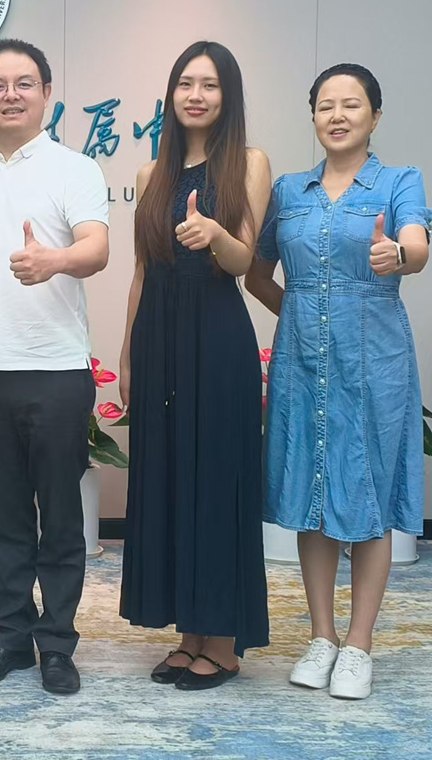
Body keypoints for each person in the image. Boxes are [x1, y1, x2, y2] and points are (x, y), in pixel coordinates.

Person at [244, 63, 432, 700]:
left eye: (352, 104)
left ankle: (359, 645)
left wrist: (398, 255)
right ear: (313, 116)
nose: (338, 115)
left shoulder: (399, 181)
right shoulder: (289, 191)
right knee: (311, 490)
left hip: (374, 361)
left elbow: (417, 245)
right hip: (302, 362)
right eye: (326, 105)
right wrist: (305, 317)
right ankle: (322, 636)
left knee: (368, 493)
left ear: (375, 115)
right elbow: (257, 274)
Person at [0, 39, 110, 696]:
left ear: (46, 93)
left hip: (56, 369)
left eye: (23, 83)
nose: (9, 94)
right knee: (3, 517)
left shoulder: (76, 169)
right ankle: (10, 637)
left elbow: (96, 248)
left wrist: (54, 261)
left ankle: (58, 644)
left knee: (61, 517)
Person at [118, 42, 272, 690]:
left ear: (226, 95)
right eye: (186, 83)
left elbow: (245, 263)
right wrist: (128, 353)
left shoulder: (250, 163)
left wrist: (215, 235)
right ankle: (189, 633)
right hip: (159, 340)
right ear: (172, 94)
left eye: (209, 84)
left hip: (217, 337)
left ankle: (224, 642)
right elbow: (141, 271)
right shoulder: (153, 171)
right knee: (172, 480)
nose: (196, 95)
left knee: (217, 482)